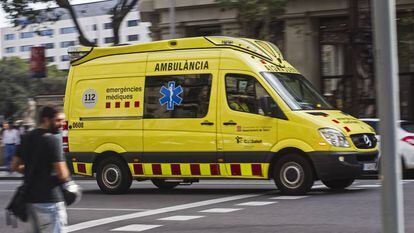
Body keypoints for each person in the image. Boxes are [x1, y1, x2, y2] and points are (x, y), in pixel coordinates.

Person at [11, 106, 70, 233]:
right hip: (50, 202)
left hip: (30, 202)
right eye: (58, 120)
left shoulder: (26, 137)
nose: (62, 124)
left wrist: (32, 170)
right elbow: (62, 174)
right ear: (46, 120)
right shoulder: (53, 139)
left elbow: (14, 165)